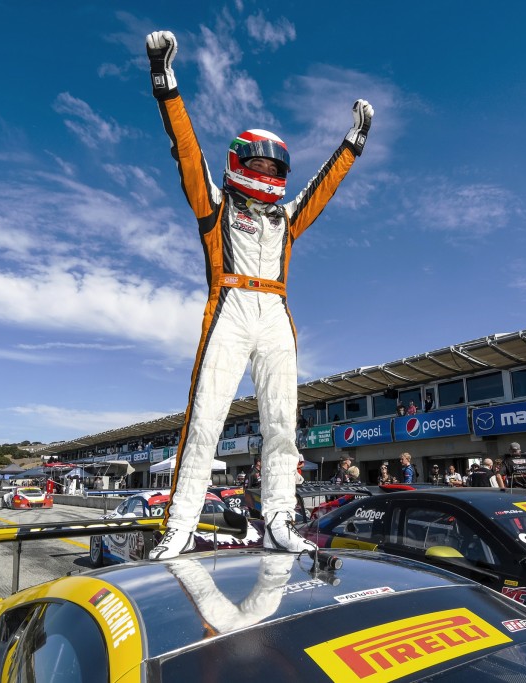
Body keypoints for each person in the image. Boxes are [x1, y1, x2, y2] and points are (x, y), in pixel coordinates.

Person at [143, 30, 373, 560]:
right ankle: (179, 524)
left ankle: (278, 519)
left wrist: (352, 144)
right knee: (204, 420)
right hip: (228, 305)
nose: (268, 173)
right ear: (241, 162)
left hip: (275, 311)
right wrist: (164, 81)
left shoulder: (286, 219)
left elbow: (323, 187)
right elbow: (185, 149)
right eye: (261, 164)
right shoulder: (216, 207)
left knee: (281, 424)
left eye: (276, 168)